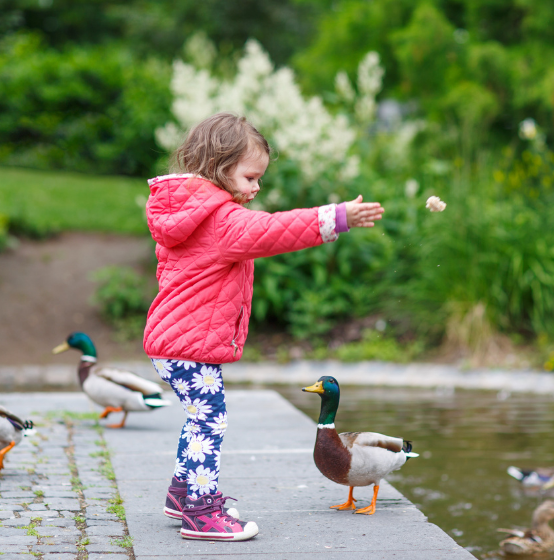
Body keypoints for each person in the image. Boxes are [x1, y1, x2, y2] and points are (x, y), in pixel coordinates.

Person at [144, 112, 384, 541]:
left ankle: (184, 493)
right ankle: (199, 513)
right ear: (220, 167)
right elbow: (274, 230)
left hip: (173, 340)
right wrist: (337, 217)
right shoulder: (222, 221)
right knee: (209, 421)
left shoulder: (186, 211)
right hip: (187, 344)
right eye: (250, 176)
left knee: (200, 417)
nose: (256, 187)